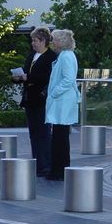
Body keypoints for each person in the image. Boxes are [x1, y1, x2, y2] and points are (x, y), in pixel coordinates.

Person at [12, 27, 57, 177]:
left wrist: (28, 77)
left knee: (44, 132)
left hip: (42, 99)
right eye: (32, 40)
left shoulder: (51, 57)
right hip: (30, 98)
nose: (33, 43)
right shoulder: (32, 55)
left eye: (35, 40)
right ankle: (37, 162)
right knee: (33, 132)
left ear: (43, 41)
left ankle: (46, 164)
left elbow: (47, 77)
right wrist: (18, 78)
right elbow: (26, 72)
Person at [45, 29, 81, 181]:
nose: (52, 42)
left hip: (62, 100)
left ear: (62, 41)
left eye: (55, 40)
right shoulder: (66, 56)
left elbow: (68, 79)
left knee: (60, 137)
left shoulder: (66, 56)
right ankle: (59, 168)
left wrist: (54, 93)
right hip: (63, 100)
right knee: (60, 136)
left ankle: (59, 170)